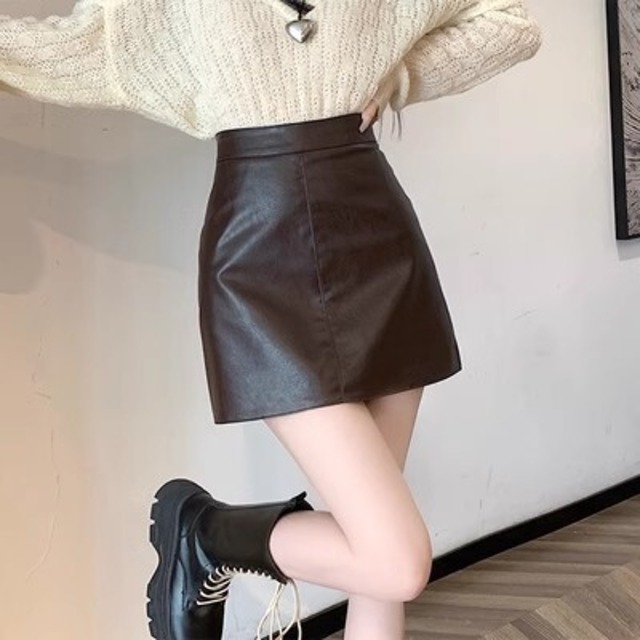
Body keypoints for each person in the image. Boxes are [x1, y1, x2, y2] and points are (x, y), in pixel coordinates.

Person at [0, 0, 543, 638]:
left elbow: (511, 25)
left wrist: (400, 76)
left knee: (374, 557)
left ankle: (210, 536)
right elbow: (67, 49)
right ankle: (206, 535)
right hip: (260, 250)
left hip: (377, 239)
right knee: (396, 562)